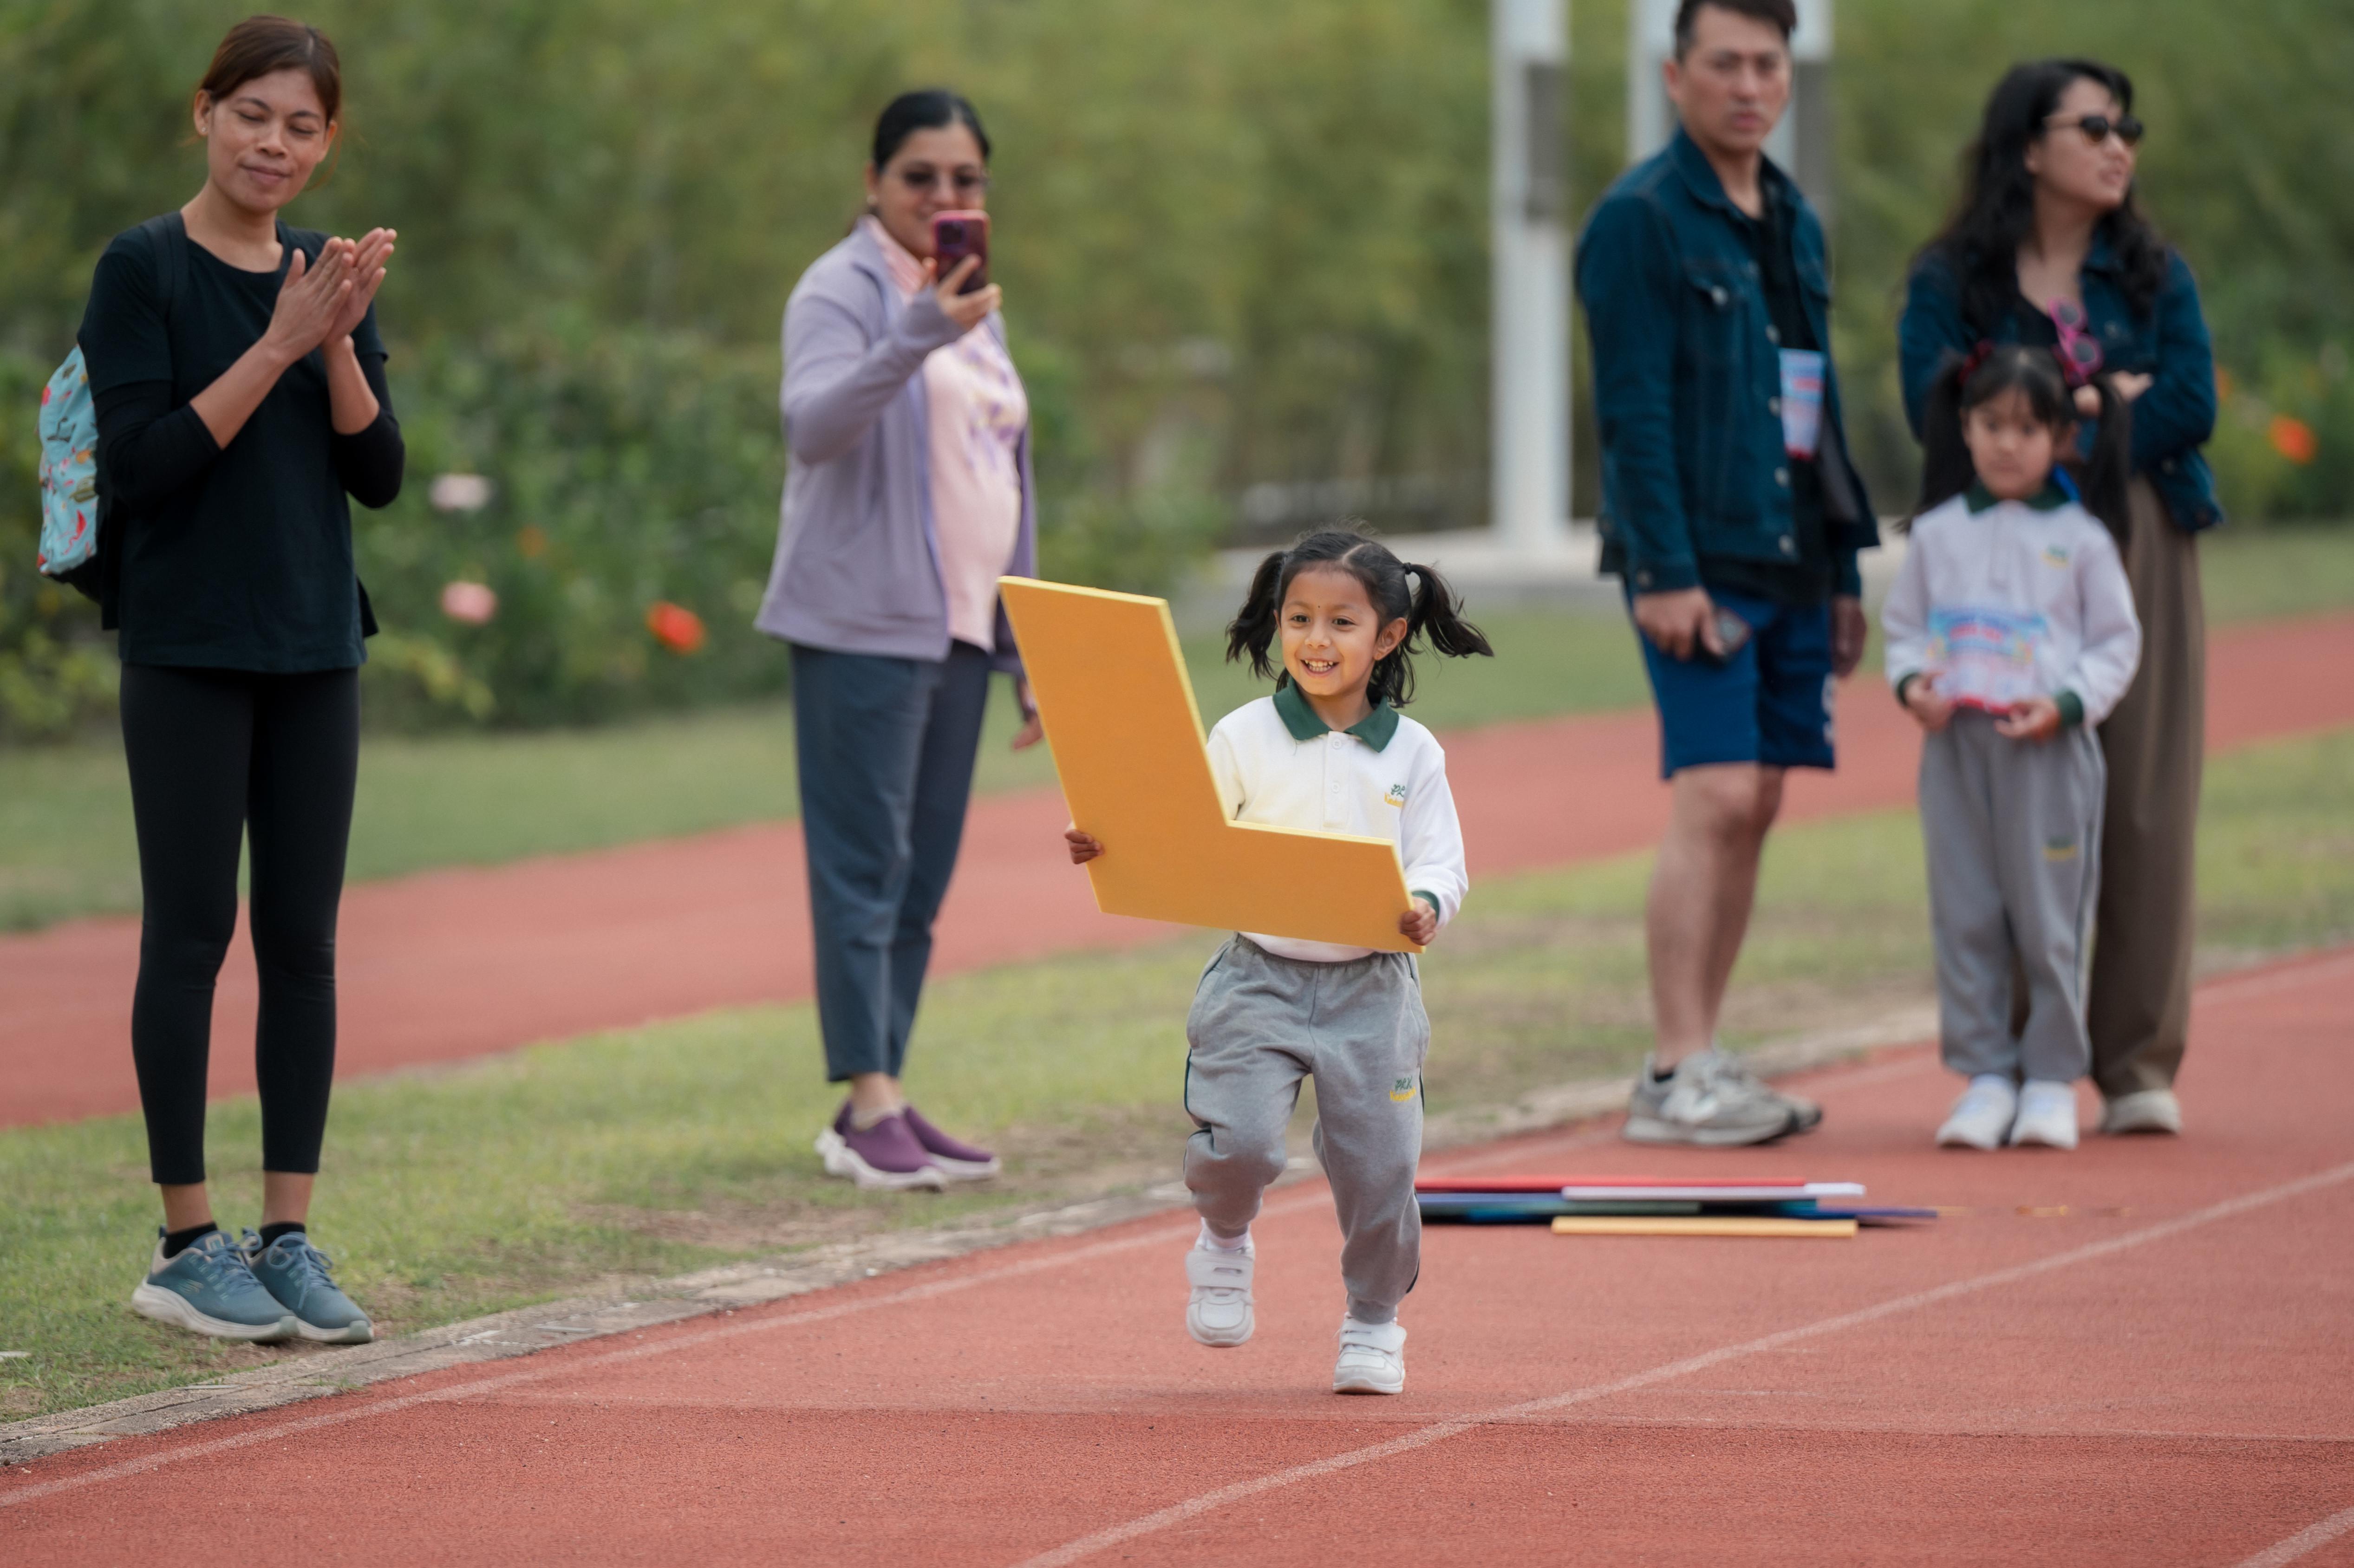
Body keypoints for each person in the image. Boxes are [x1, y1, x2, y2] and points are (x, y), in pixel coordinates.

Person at [76, 16, 399, 1344]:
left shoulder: (327, 276)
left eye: (301, 125)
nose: (274, 142)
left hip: (316, 646)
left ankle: (288, 1236)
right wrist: (277, 341)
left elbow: (378, 475)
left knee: (304, 944)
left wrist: (334, 337)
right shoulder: (142, 266)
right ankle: (185, 1243)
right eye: (253, 113)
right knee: (191, 934)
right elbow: (141, 468)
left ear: (326, 144)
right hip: (188, 644)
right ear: (204, 112)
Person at [1066, 530, 1489, 1397]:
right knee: (1242, 1146)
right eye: (1298, 619)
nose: (1315, 639)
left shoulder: (1413, 752)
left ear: (1388, 637)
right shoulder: (1244, 735)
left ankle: (1373, 1319)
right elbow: (1184, 837)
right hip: (1256, 978)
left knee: (1380, 1171)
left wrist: (1426, 902)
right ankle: (1224, 1238)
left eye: (1341, 621)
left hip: (1372, 992)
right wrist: (1112, 843)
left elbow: (1441, 862)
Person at [1573, 0, 1876, 1146]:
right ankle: (1672, 1067)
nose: (1749, 85)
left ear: (1789, 76)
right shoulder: (1640, 220)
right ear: (1676, 75)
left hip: (1792, 545)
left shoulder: (1792, 217)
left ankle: (1703, 1056)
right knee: (1715, 791)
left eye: (1767, 64)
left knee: (1761, 799)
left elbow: (1816, 397)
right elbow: (1631, 410)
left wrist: (1844, 567)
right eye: (1724, 63)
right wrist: (1661, 568)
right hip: (1696, 555)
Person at [1900, 59, 2217, 1139]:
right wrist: (2099, 402)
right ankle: (2012, 1066)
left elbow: (2190, 401)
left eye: (2127, 128)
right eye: (2095, 126)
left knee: (2144, 798)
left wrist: (2047, 413)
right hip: (1989, 564)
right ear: (2029, 147)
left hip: (2138, 538)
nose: (2119, 145)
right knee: (2004, 808)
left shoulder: (2154, 275)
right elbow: (1931, 401)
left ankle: (2135, 1062)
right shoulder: (1953, 277)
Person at [757, 90, 1042, 1191]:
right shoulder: (842, 289)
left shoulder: (975, 301)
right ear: (874, 182)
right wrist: (917, 332)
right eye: (920, 176)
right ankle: (868, 1097)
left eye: (965, 179)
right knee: (864, 867)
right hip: (860, 624)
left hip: (960, 628)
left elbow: (1005, 471)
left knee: (920, 877)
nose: (943, 195)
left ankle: (879, 1096)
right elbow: (813, 427)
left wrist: (1027, 645)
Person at [1886, 344, 2142, 1151]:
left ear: (2062, 437)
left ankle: (2051, 1078)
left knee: (2049, 918)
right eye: (1990, 424)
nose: (2006, 443)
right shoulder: (1934, 535)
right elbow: (1903, 632)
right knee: (1965, 912)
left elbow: (2116, 643)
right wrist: (1911, 687)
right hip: (1956, 752)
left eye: (2028, 428)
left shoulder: (2083, 539)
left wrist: (2066, 705)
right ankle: (1986, 1076)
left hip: (2047, 753)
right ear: (1963, 427)